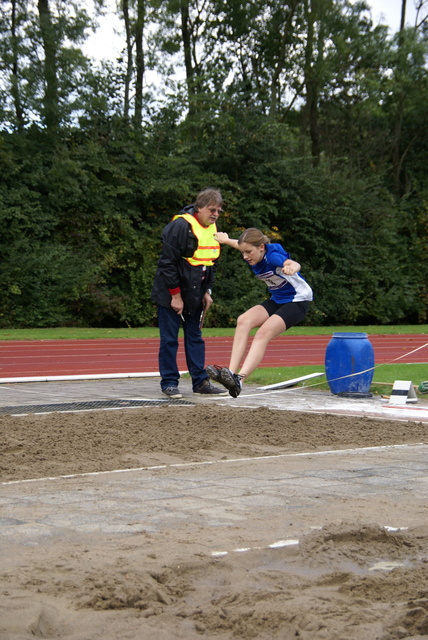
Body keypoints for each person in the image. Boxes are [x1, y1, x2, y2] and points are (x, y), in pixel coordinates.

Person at [207, 227, 313, 397]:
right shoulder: (253, 252)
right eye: (243, 253)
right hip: (278, 300)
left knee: (263, 333)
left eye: (248, 252)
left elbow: (291, 263)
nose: (245, 257)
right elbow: (240, 245)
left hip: (297, 301)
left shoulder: (272, 256)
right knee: (243, 320)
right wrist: (226, 240)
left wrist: (293, 267)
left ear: (261, 247)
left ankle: (240, 380)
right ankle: (230, 375)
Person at [151, 188, 229, 398]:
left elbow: (209, 263)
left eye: (219, 211)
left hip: (196, 294)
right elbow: (166, 264)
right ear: (199, 207)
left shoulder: (213, 229)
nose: (215, 214)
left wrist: (207, 291)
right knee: (169, 339)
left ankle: (200, 382)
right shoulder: (179, 226)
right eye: (212, 210)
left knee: (195, 338)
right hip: (171, 293)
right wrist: (175, 296)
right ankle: (169, 383)